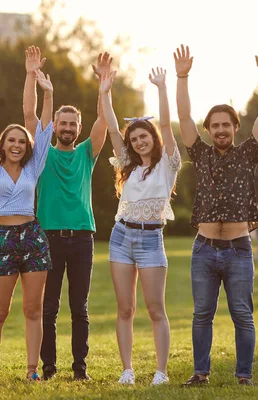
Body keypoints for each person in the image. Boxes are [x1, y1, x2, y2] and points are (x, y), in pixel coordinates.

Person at [174, 44, 258, 386]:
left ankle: (243, 376)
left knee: (242, 316)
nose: (220, 130)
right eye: (214, 125)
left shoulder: (248, 154)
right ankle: (200, 373)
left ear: (235, 127)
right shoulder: (200, 155)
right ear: (208, 130)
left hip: (238, 250)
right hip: (203, 249)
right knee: (201, 315)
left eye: (226, 125)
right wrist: (182, 77)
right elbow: (184, 118)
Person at [22, 46, 111, 381]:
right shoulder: (43, 153)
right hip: (48, 238)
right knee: (49, 308)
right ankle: (48, 368)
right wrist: (31, 75)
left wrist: (104, 87)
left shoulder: (88, 152)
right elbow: (30, 116)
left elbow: (104, 120)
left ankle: (79, 369)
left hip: (82, 238)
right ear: (55, 125)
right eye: (63, 122)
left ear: (78, 126)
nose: (68, 127)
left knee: (80, 309)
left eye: (73, 123)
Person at [99, 67, 181, 386]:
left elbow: (165, 125)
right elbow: (111, 130)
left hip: (150, 241)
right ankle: (127, 370)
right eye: (134, 139)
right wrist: (105, 91)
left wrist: (161, 87)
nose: (138, 141)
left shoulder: (167, 166)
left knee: (155, 308)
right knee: (125, 308)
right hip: (121, 236)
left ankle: (161, 372)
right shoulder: (129, 165)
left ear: (153, 137)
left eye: (143, 136)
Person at [0, 61, 54, 382]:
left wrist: (46, 95)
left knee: (33, 310)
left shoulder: (33, 168)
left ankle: (33, 372)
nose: (18, 145)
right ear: (3, 145)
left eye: (22, 141)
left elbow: (45, 131)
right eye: (12, 141)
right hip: (3, 239)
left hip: (32, 237)